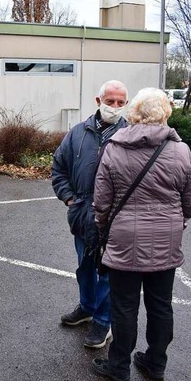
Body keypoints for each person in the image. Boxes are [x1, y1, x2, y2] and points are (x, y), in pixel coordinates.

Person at [91, 88, 191, 381]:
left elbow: (102, 201)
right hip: (167, 239)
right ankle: (156, 363)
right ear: (165, 113)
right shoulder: (181, 151)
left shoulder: (114, 147)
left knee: (124, 306)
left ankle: (119, 367)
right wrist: (178, 222)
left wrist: (103, 226)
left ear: (133, 113)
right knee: (161, 304)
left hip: (124, 239)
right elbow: (190, 200)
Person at [51, 80, 129, 348]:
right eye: (110, 101)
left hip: (114, 221)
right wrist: (70, 199)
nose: (115, 107)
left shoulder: (129, 135)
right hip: (82, 215)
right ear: (98, 101)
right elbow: (59, 167)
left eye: (121, 102)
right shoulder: (77, 133)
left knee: (107, 272)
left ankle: (103, 321)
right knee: (84, 266)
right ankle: (87, 307)